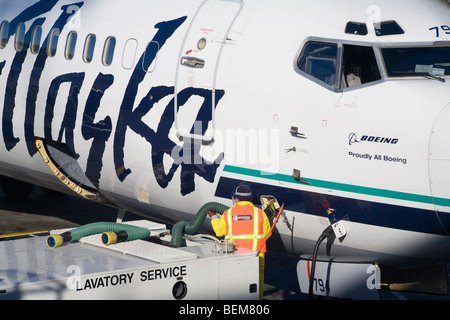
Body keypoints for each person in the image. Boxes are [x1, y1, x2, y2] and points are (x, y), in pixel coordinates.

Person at [207, 185, 271, 299]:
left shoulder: (228, 213)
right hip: (256, 255)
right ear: (250, 199)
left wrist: (213, 216)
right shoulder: (260, 213)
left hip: (234, 254)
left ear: (236, 199)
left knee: (235, 282)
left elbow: (219, 231)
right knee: (256, 282)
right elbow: (267, 233)